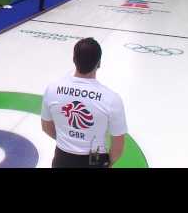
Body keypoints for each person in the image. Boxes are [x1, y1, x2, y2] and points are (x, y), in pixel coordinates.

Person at [41, 37, 127, 168]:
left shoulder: (52, 89)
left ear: (74, 59)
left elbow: (46, 127)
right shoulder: (111, 99)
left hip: (62, 158)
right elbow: (118, 146)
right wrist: (106, 164)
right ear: (99, 63)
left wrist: (68, 142)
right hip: (95, 158)